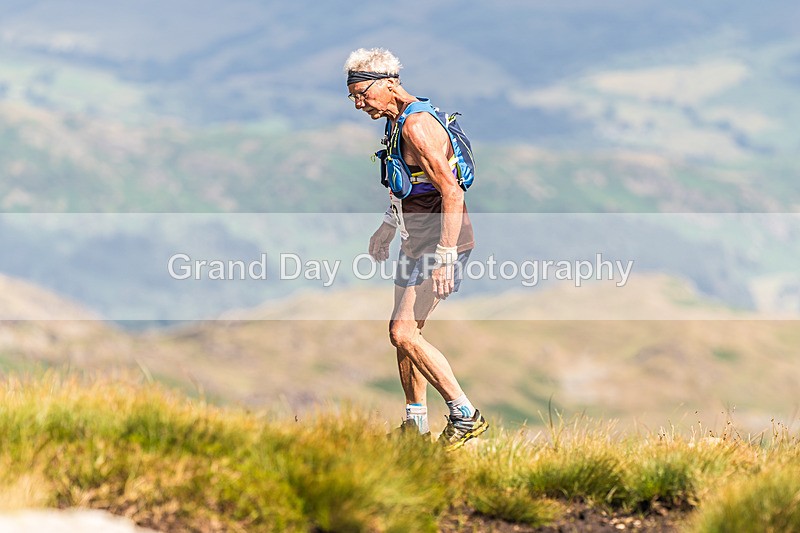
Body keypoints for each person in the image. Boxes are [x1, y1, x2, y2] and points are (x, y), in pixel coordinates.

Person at [343, 48, 488, 450]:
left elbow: (452, 193)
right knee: (405, 332)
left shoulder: (417, 127)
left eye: (362, 93)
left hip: (442, 242)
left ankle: (465, 415)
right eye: (352, 96)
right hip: (415, 239)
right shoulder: (396, 121)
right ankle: (416, 427)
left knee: (403, 332)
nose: (358, 103)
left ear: (388, 84)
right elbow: (412, 184)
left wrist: (445, 257)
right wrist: (389, 225)